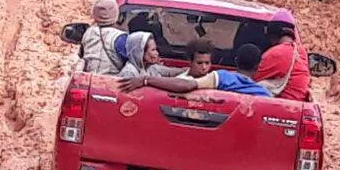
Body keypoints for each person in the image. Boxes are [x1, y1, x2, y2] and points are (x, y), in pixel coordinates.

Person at [120, 43, 272, 97]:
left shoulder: (222, 78)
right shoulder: (265, 94)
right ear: (258, 67)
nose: (204, 67)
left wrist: (145, 80)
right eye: (199, 62)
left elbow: (186, 85)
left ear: (236, 61)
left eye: (207, 63)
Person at [254, 16, 311, 101]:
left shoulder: (276, 53)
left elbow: (252, 80)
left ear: (273, 34)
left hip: (279, 105)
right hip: (296, 106)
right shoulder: (301, 51)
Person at [78, 0, 125, 75]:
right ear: (116, 14)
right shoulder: (121, 37)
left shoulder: (88, 32)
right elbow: (132, 62)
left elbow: (82, 55)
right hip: (112, 83)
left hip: (89, 81)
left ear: (94, 13)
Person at [118, 32, 185, 79]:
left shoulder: (150, 67)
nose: (157, 53)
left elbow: (172, 72)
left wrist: (188, 70)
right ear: (140, 52)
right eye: (153, 50)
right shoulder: (129, 73)